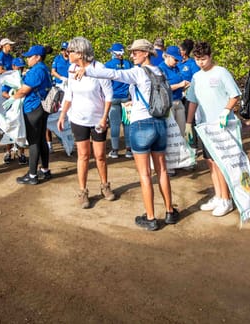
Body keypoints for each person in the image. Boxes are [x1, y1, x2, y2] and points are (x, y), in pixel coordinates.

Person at [79, 39, 178, 231]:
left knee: (145, 174)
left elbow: (113, 74)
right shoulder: (160, 72)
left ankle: (150, 217)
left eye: (135, 52)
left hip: (141, 125)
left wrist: (88, 70)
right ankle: (169, 212)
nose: (131, 55)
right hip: (160, 123)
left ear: (145, 53)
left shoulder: (139, 72)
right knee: (163, 171)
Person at [58, 37, 116, 207]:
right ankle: (83, 191)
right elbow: (69, 94)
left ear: (81, 53)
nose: (67, 54)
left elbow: (109, 95)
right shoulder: (71, 69)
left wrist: (104, 118)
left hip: (97, 119)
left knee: (100, 155)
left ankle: (105, 186)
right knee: (83, 155)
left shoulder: (99, 68)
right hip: (78, 119)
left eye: (71, 51)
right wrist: (62, 115)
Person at [185, 41, 241, 217]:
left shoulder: (221, 72)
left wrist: (226, 111)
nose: (200, 62)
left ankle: (227, 199)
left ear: (210, 57)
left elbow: (235, 95)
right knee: (210, 162)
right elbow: (192, 100)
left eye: (203, 59)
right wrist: (188, 123)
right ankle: (218, 195)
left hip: (221, 125)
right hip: (204, 125)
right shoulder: (196, 77)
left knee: (220, 163)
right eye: (197, 59)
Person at [11, 45, 53, 185]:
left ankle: (32, 175)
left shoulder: (36, 70)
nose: (27, 59)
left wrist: (12, 99)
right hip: (43, 107)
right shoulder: (44, 69)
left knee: (34, 141)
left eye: (30, 56)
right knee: (41, 139)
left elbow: (24, 90)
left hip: (34, 107)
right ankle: (45, 170)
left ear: (38, 57)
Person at [104, 43, 133, 159]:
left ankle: (115, 150)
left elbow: (105, 83)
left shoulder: (108, 65)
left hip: (114, 97)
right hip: (126, 98)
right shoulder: (128, 64)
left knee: (115, 125)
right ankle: (128, 150)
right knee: (127, 124)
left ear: (114, 53)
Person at [1, 57, 28, 165]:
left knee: (22, 130)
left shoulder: (26, 78)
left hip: (23, 108)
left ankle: (21, 153)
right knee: (9, 129)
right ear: (13, 67)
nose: (20, 70)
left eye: (21, 68)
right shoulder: (9, 79)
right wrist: (12, 98)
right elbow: (3, 93)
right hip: (12, 108)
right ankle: (8, 152)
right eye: (18, 67)